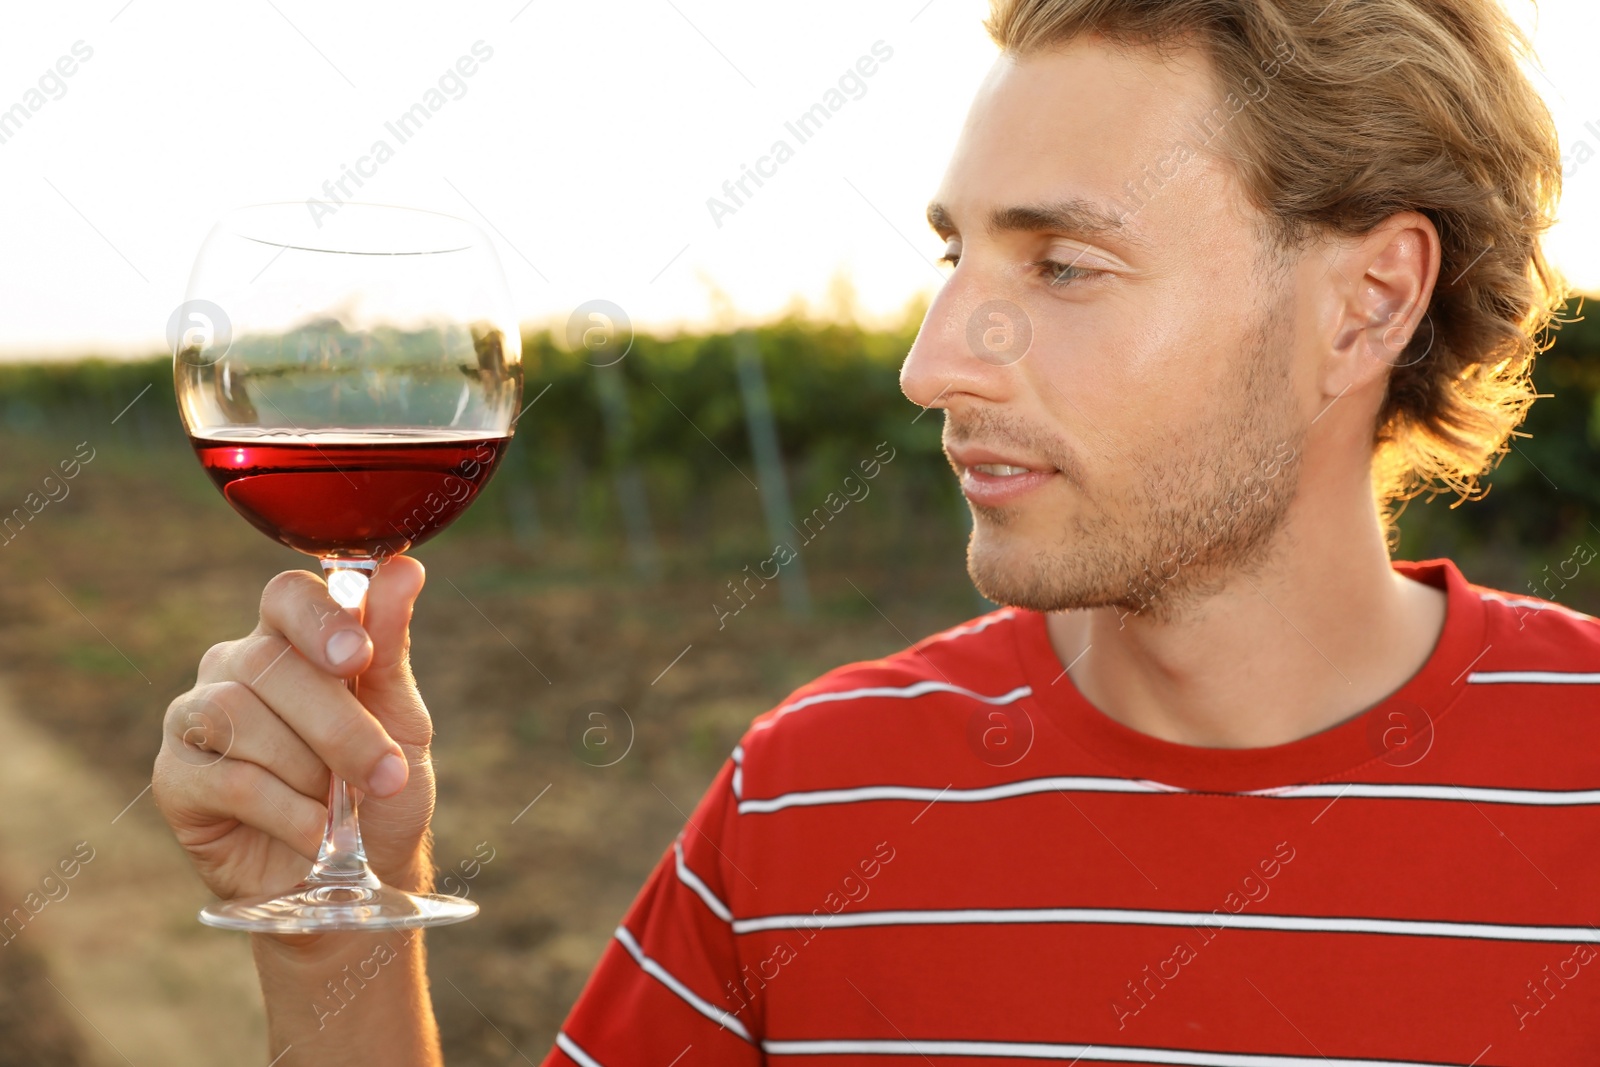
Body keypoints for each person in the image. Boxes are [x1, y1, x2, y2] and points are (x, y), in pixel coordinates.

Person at [155, 0, 1600, 1063]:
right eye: (954, 253)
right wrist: (337, 934)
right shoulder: (813, 802)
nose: (932, 365)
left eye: (1067, 265)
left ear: (1367, 305)